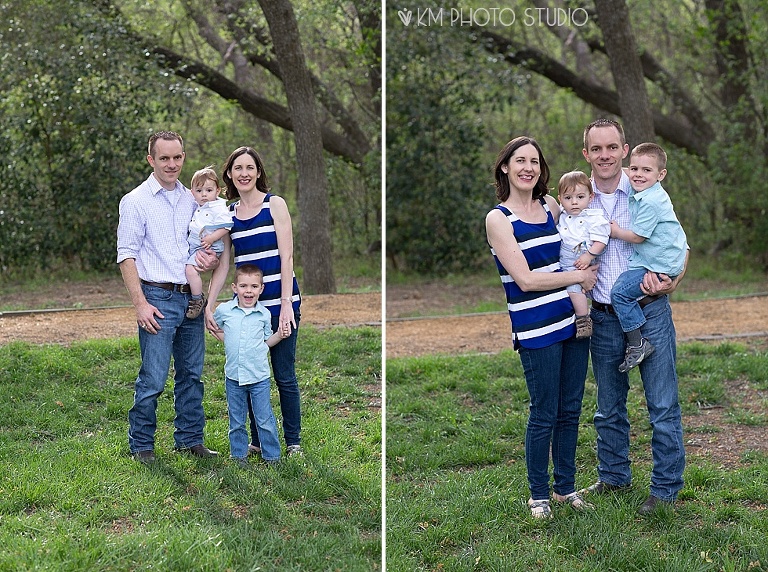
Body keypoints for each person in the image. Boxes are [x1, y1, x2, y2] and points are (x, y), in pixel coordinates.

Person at [485, 136, 598, 519]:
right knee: (544, 411)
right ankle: (539, 495)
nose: (528, 167)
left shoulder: (551, 206)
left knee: (570, 409)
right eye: (520, 160)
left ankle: (565, 489)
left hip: (573, 322)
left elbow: (586, 220)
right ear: (505, 167)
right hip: (536, 329)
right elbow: (526, 280)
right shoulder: (498, 219)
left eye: (534, 161)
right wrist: (577, 277)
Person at [579, 118, 687, 515]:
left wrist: (673, 281)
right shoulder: (577, 196)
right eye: (596, 149)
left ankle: (665, 491)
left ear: (624, 150)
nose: (605, 155)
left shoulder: (645, 188)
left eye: (612, 147)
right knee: (608, 407)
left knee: (662, 406)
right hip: (605, 317)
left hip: (649, 311)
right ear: (586, 153)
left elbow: (681, 243)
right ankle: (613, 477)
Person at [116, 130, 219, 463]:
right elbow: (126, 255)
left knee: (191, 374)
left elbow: (204, 246)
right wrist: (140, 304)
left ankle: (190, 440)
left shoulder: (194, 198)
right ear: (151, 160)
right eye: (164, 158)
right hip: (156, 298)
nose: (172, 164)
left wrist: (209, 259)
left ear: (183, 157)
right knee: (154, 377)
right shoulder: (136, 201)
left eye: (177, 157)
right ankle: (142, 445)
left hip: (191, 298)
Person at [206, 146, 303, 457]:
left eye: (249, 167)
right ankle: (258, 441)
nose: (244, 173)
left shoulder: (274, 205)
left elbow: (287, 256)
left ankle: (293, 442)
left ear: (258, 171)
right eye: (238, 168)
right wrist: (209, 305)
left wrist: (286, 305)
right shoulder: (229, 215)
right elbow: (224, 264)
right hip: (247, 310)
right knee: (248, 374)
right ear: (230, 175)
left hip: (281, 302)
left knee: (283, 374)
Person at [609, 143, 688, 372]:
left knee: (620, 293)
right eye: (634, 169)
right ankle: (637, 340)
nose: (637, 174)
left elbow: (638, 237)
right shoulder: (645, 187)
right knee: (623, 291)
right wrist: (619, 168)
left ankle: (637, 343)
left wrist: (614, 231)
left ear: (661, 174)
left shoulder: (652, 201)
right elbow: (624, 171)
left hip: (660, 265)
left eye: (646, 170)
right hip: (656, 260)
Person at [213, 264, 289, 467]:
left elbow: (266, 343)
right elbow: (215, 327)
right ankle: (238, 456)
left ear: (261, 289)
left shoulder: (263, 314)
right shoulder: (224, 311)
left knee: (264, 419)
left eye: (254, 286)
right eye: (244, 286)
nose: (248, 291)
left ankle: (272, 457)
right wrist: (225, 339)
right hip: (234, 377)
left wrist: (279, 336)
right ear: (234, 287)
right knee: (236, 420)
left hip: (259, 377)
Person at [556, 170, 610, 339]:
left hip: (580, 255)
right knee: (564, 290)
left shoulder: (593, 217)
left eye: (580, 197)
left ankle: (583, 319)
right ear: (560, 199)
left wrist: (588, 255)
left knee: (574, 289)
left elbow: (602, 239)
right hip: (563, 258)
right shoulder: (561, 214)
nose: (574, 202)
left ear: (590, 197)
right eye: (568, 198)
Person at [184, 167, 233, 320]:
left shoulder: (218, 207)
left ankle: (197, 299)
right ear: (192, 192)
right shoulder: (199, 206)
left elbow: (226, 226)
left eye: (209, 190)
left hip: (209, 246)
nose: (204, 194)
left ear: (217, 191)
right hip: (198, 245)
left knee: (190, 271)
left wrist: (211, 239)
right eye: (199, 191)